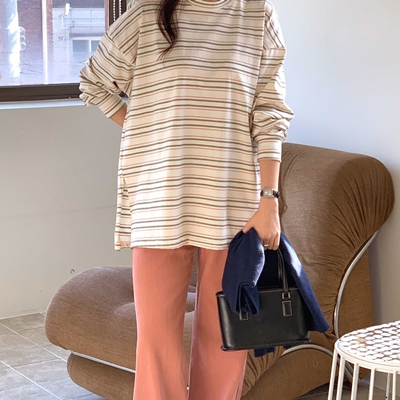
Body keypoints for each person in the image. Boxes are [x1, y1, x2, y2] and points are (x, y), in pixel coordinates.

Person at [79, 0, 293, 397]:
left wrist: (270, 200)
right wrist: (146, 132)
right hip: (159, 201)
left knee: (225, 340)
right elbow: (94, 82)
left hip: (232, 206)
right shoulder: (147, 13)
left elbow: (270, 113)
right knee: (157, 346)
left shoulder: (257, 14)